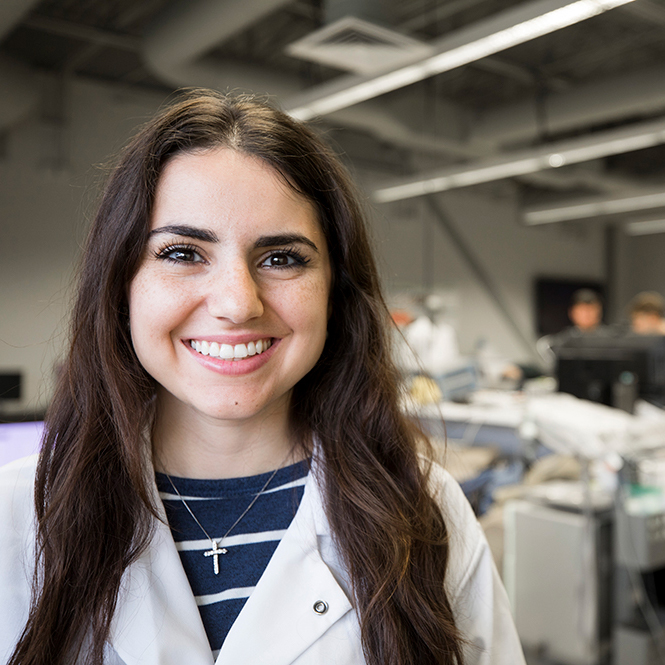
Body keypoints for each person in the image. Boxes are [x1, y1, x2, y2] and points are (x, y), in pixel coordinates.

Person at [0, 91, 524, 665]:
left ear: (334, 292)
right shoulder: (17, 518)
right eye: (182, 253)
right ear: (121, 283)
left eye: (281, 259)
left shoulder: (426, 511)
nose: (236, 303)